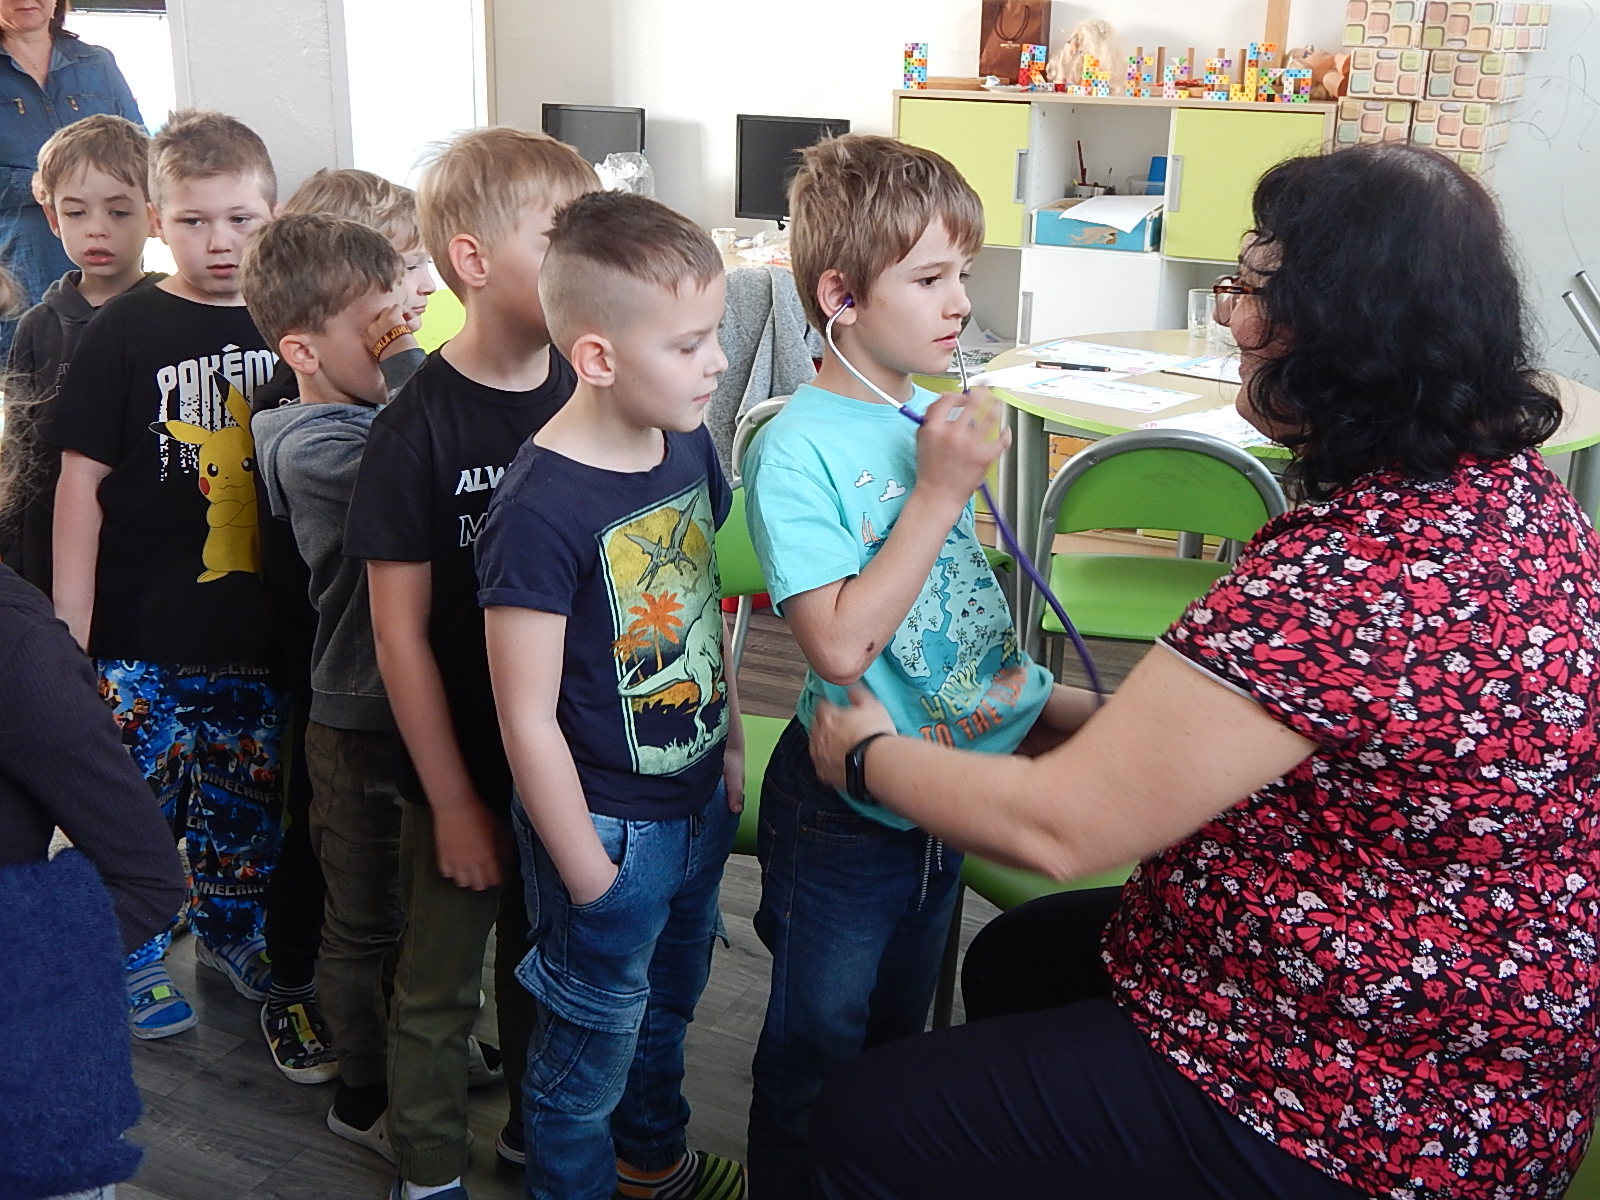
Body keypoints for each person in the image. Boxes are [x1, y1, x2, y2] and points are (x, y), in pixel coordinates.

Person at [802, 143, 1600, 1200]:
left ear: (1338, 328)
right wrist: (1049, 711)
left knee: (856, 1124)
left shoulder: (1349, 576)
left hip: (1382, 1095)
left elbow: (1059, 830)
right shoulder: (1514, 497)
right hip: (1445, 1000)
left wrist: (863, 755)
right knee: (1015, 961)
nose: (1230, 318)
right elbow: (1273, 739)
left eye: (1250, 289)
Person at [740, 132, 1069, 1197]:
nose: (960, 302)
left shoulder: (922, 421)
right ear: (840, 296)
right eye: (929, 279)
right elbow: (840, 644)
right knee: (814, 1050)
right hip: (844, 816)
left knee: (892, 1047)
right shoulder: (797, 447)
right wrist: (936, 493)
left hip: (942, 788)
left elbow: (957, 628)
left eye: (962, 273)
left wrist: (1062, 710)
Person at [343, 126, 597, 1200]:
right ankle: (429, 1172)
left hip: (566, 764)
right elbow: (397, 635)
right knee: (441, 988)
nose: (586, 263)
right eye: (560, 237)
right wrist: (451, 800)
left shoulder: (585, 387)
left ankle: (534, 1135)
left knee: (548, 971)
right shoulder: (414, 429)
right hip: (457, 766)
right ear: (473, 260)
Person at [478, 189, 747, 1200]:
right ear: (597, 357)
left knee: (668, 1008)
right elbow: (524, 716)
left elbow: (698, 603)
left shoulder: (688, 441)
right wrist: (589, 874)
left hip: (695, 803)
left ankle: (652, 1163)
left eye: (713, 333)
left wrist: (728, 744)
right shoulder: (537, 509)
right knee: (583, 1063)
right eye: (688, 344)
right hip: (606, 832)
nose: (717, 362)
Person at [47, 108, 283, 1042]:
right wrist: (70, 627)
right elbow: (79, 481)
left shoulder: (291, 321)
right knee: (132, 803)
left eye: (240, 219)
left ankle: (234, 932)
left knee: (243, 800)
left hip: (260, 632)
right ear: (157, 220)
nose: (219, 241)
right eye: (193, 220)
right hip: (139, 631)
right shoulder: (124, 328)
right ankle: (130, 948)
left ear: (272, 215)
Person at [245, 169, 436, 1090]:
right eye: (382, 324)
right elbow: (427, 461)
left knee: (416, 897)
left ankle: (414, 1037)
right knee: (355, 903)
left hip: (418, 700)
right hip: (354, 709)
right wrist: (408, 356)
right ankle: (360, 1075)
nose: (404, 332)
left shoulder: (372, 413)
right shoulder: (310, 442)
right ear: (303, 349)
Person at [0, 113, 160, 595]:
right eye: (76, 213)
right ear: (52, 218)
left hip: (149, 545)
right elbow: (21, 453)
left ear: (154, 215)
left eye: (118, 212)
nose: (96, 230)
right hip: (55, 547)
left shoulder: (168, 315)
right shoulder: (38, 327)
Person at [0, 0, 143, 354]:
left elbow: (143, 153)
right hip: (21, 266)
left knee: (127, 360)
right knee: (38, 370)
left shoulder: (98, 63)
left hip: (114, 261)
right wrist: (35, 184)